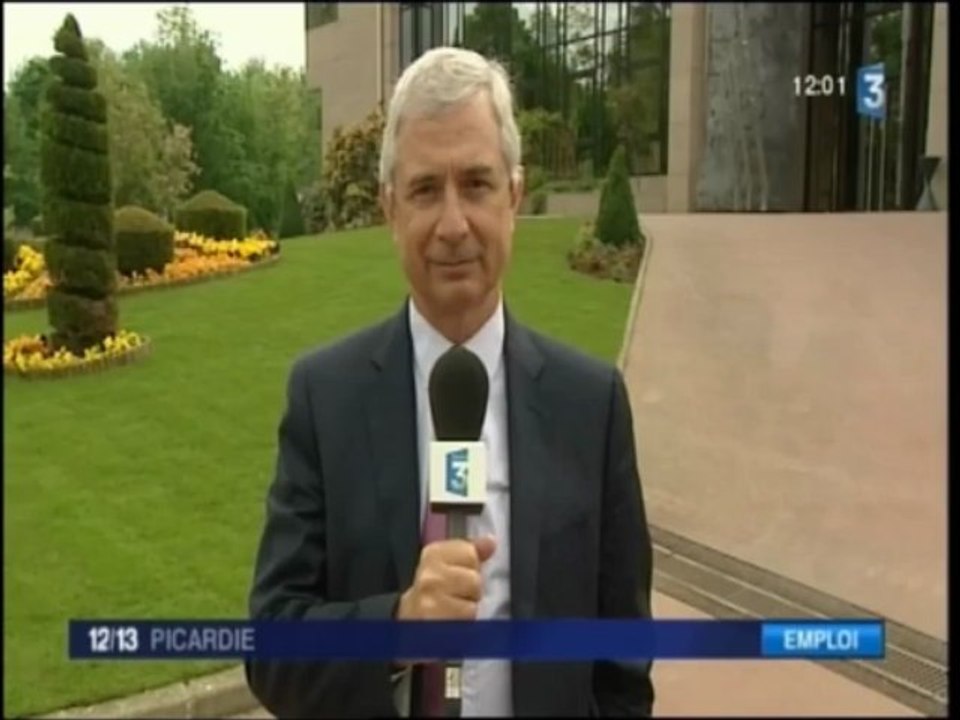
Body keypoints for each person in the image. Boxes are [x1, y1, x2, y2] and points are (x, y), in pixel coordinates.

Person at [246, 46, 655, 718]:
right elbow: (270, 648)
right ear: (390, 210)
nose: (454, 224)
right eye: (426, 190)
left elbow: (623, 659)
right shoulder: (326, 398)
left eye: (477, 184)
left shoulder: (592, 404)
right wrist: (398, 627)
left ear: (515, 196)